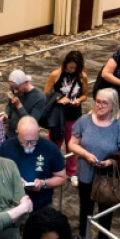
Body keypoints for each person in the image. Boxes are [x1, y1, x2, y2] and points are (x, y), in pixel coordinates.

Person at [68, 88, 120, 239]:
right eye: (98, 101)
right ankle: (83, 235)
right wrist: (85, 154)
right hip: (86, 172)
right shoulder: (84, 120)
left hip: (107, 177)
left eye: (105, 103)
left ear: (113, 105)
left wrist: (111, 162)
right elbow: (72, 144)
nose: (100, 105)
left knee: (105, 209)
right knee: (85, 207)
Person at [0, 116, 67, 211]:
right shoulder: (6, 147)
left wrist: (43, 183)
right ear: (17, 133)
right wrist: (13, 180)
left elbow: (62, 178)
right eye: (25, 142)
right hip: (12, 206)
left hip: (41, 206)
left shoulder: (50, 148)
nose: (29, 145)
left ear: (38, 132)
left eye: (33, 141)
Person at [43, 51, 87, 179]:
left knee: (72, 145)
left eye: (75, 68)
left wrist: (78, 100)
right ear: (65, 64)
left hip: (74, 115)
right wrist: (58, 100)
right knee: (54, 143)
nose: (72, 70)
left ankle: (72, 171)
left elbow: (84, 95)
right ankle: (51, 168)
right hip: (58, 116)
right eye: (70, 67)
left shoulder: (82, 76)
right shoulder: (55, 75)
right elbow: (46, 93)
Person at [4, 69, 46, 139]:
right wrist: (6, 114)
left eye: (17, 88)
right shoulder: (15, 89)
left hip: (24, 137)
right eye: (12, 88)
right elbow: (9, 105)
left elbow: (31, 123)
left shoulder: (39, 97)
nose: (15, 91)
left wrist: (19, 106)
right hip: (10, 133)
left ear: (26, 82)